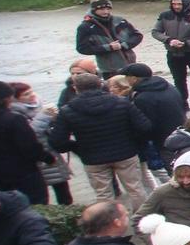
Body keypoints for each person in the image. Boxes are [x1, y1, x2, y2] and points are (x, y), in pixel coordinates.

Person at [49, 70, 154, 203]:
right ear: (100, 84)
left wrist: (77, 147)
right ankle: (142, 220)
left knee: (103, 195)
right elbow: (144, 127)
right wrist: (131, 140)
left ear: (75, 88)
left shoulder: (67, 110)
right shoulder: (121, 103)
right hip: (125, 152)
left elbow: (57, 141)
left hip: (93, 158)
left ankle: (108, 221)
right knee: (136, 190)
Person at [76, 0, 145, 73]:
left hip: (131, 64)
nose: (105, 11)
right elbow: (82, 48)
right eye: (101, 9)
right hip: (109, 70)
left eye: (107, 8)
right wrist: (108, 47)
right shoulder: (85, 27)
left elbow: (137, 36)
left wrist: (124, 45)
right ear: (93, 10)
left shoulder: (120, 21)